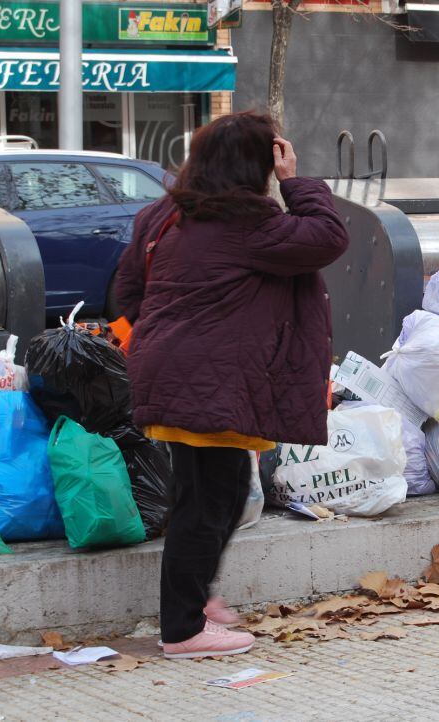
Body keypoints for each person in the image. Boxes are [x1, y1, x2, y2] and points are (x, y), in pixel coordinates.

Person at [115, 112, 350, 659]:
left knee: (214, 494)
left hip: (171, 370)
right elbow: (327, 237)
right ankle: (183, 629)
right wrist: (294, 181)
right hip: (210, 380)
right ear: (258, 163)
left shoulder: (162, 215)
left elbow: (127, 292)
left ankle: (198, 600)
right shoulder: (248, 222)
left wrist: (173, 331)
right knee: (207, 503)